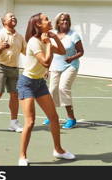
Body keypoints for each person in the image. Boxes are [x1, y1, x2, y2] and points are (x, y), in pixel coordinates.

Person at [17, 13, 76, 166]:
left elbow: (63, 52)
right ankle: (22, 156)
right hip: (27, 84)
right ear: (38, 25)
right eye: (46, 19)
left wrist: (54, 38)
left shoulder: (46, 39)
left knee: (54, 117)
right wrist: (48, 43)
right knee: (30, 122)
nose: (50, 21)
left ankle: (58, 150)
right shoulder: (34, 42)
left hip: (39, 84)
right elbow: (45, 62)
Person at [43, 12, 84, 129]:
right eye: (62, 20)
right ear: (58, 22)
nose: (65, 22)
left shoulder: (74, 35)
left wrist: (71, 58)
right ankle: (52, 117)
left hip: (71, 66)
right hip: (55, 66)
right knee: (52, 90)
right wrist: (47, 68)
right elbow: (50, 52)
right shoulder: (53, 34)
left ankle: (71, 118)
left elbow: (81, 51)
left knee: (63, 88)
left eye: (67, 20)